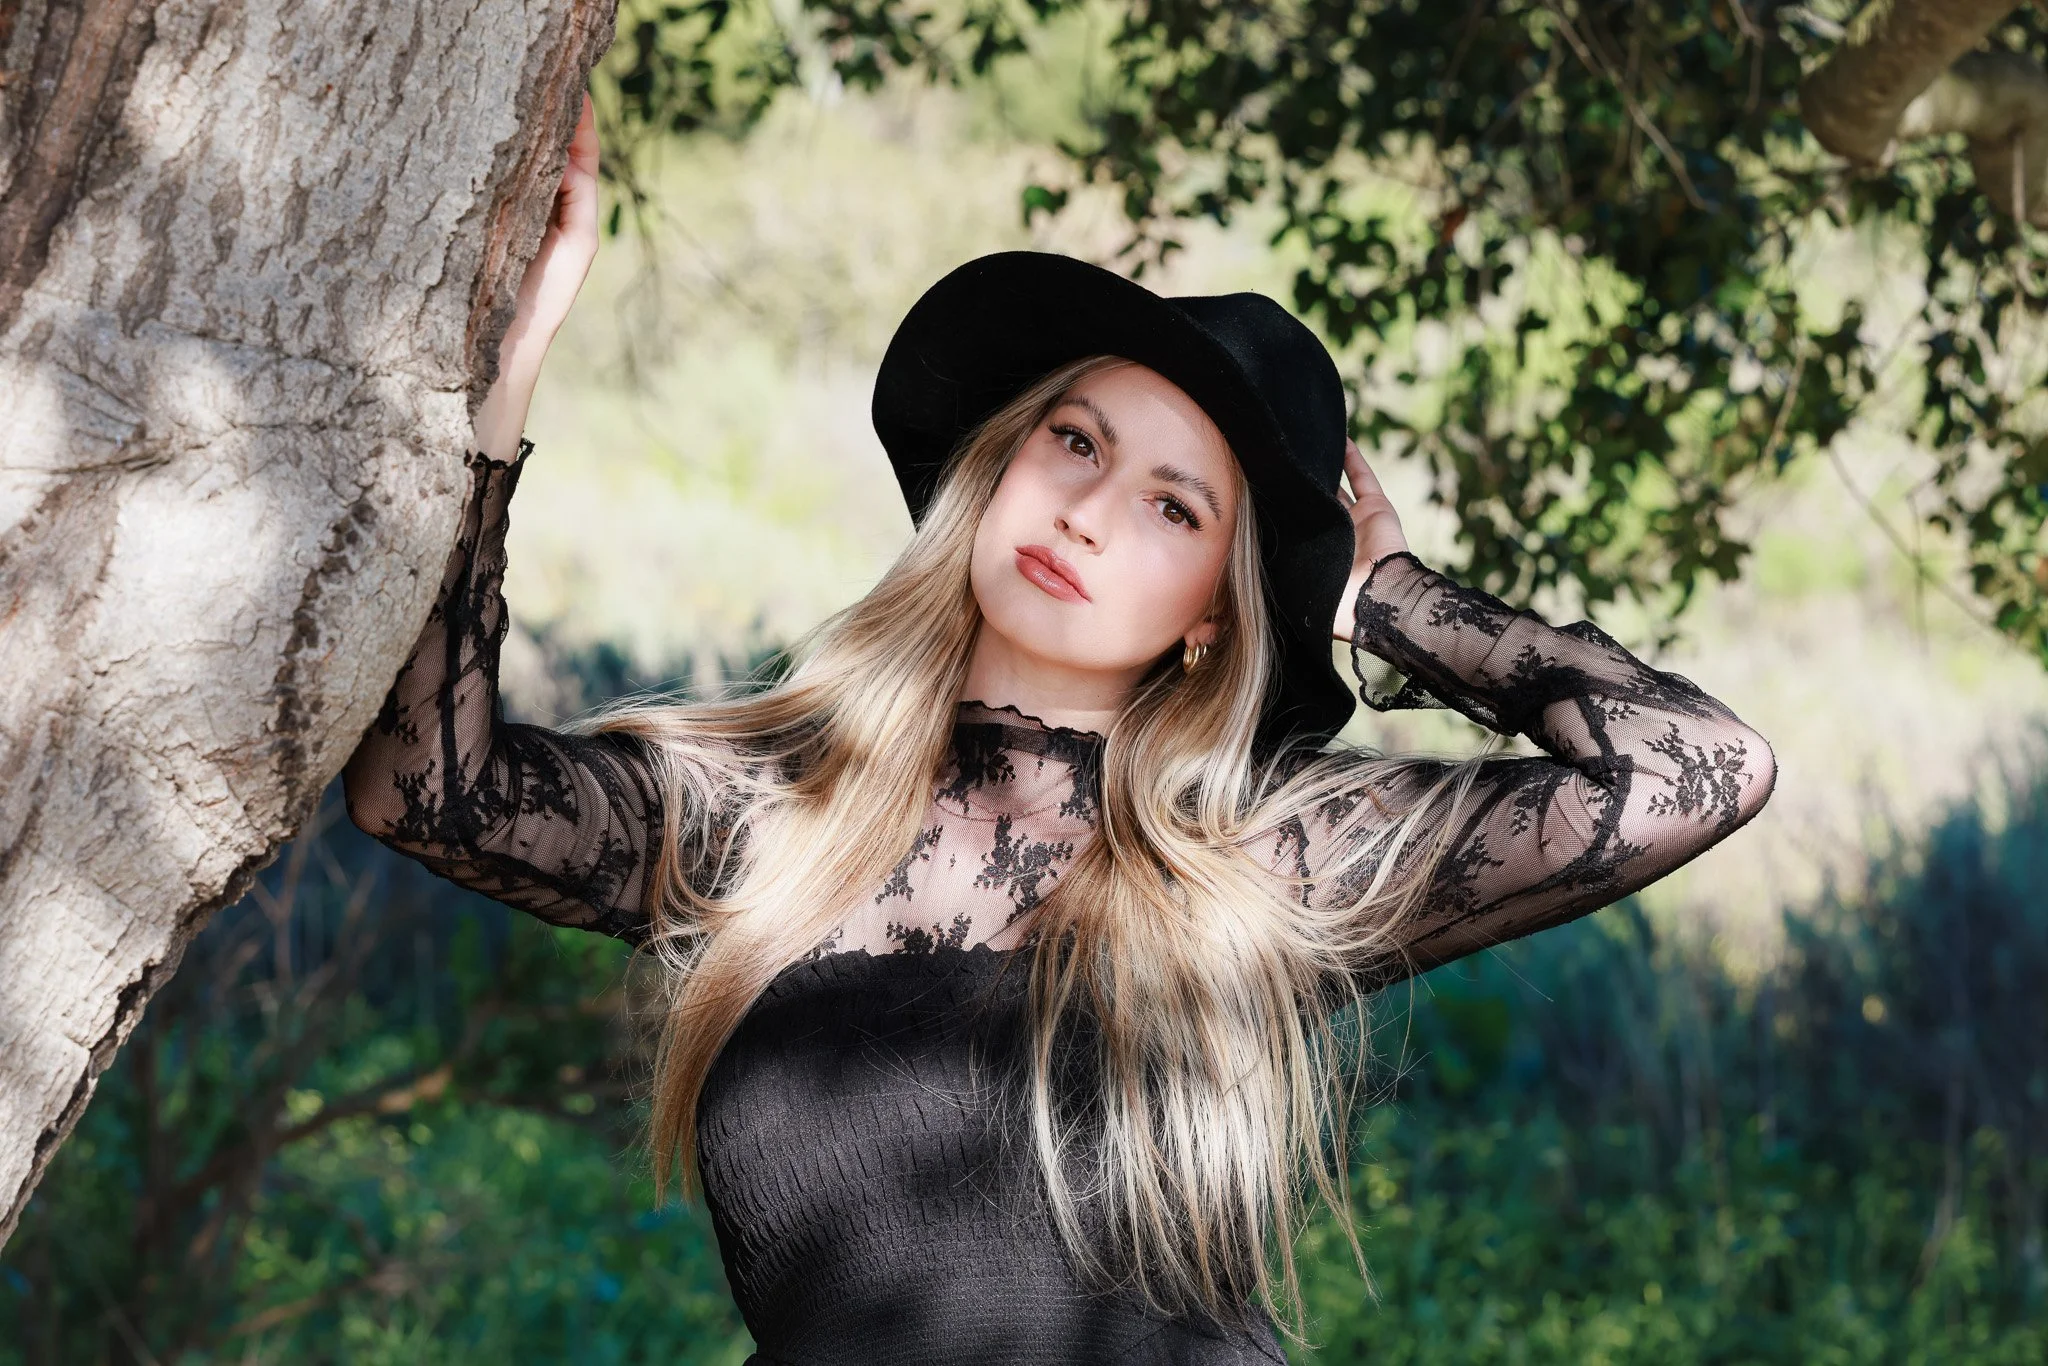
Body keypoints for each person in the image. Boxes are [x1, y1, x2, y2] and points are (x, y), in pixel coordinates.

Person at [343, 95, 1775, 1364]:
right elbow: (427, 788)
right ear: (1002, 462)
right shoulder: (767, 807)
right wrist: (511, 367)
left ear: (1217, 607)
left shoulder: (1260, 856)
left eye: (1173, 505)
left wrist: (1378, 596)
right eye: (1075, 440)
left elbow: (1694, 768)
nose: (1090, 508)